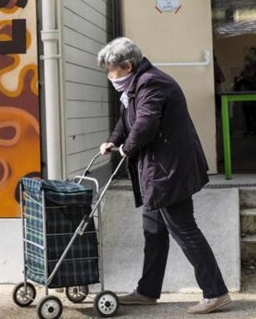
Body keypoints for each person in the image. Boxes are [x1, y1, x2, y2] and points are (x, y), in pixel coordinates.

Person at [97, 37, 231, 315]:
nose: (110, 77)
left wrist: (127, 149)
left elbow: (145, 123)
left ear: (127, 65)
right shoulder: (136, 84)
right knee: (154, 230)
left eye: (112, 71)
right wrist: (113, 141)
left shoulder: (151, 83)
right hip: (159, 169)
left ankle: (216, 293)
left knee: (185, 230)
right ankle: (147, 291)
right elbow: (127, 119)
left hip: (169, 171)